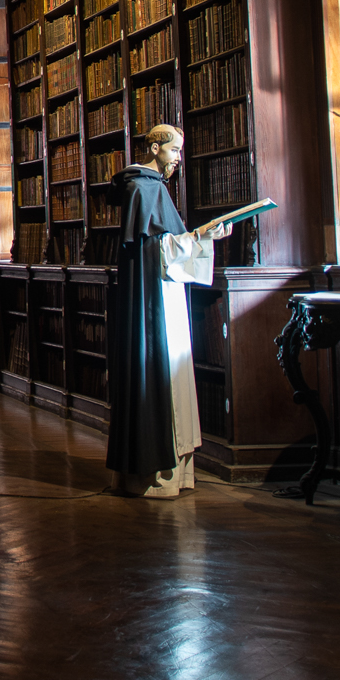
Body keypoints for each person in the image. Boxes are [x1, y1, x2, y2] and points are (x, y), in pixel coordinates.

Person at [105, 124, 228, 499]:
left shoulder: (143, 187)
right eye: (174, 151)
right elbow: (159, 251)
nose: (178, 158)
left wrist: (197, 237)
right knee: (162, 370)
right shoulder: (147, 187)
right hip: (156, 298)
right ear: (156, 148)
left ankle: (162, 469)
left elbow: (158, 243)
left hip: (157, 292)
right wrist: (204, 238)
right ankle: (158, 471)